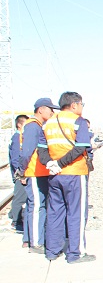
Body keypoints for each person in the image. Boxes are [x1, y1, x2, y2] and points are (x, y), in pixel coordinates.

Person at [37, 92, 94, 264]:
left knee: (55, 212)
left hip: (54, 175)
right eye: (82, 104)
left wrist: (51, 164)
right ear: (74, 105)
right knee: (76, 213)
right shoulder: (78, 121)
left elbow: (41, 149)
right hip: (74, 173)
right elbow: (81, 147)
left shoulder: (48, 124)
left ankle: (52, 251)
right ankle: (76, 254)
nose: (82, 107)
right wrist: (61, 164)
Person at [18, 98, 59, 253]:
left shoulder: (37, 126)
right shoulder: (33, 126)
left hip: (40, 172)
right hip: (35, 172)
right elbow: (27, 152)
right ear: (41, 109)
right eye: (50, 109)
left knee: (34, 206)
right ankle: (36, 244)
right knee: (37, 207)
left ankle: (30, 239)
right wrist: (22, 170)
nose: (52, 112)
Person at [8, 115, 28, 238]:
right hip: (20, 174)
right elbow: (15, 158)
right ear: (19, 125)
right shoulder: (17, 138)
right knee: (20, 198)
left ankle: (15, 217)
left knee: (21, 197)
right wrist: (21, 175)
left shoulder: (20, 137)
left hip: (21, 173)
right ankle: (16, 223)